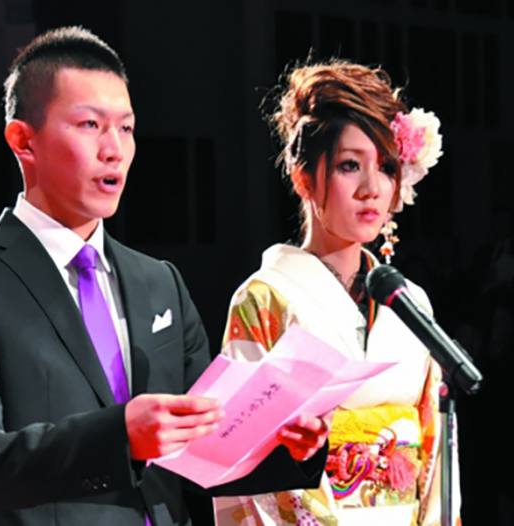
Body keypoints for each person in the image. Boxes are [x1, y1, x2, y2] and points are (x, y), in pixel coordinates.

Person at [0, 27, 329, 526]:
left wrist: (287, 448)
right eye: (89, 124)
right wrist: (119, 438)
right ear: (23, 141)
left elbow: (204, 450)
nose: (114, 149)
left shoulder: (159, 282)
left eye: (126, 128)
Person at [213, 60, 459, 525]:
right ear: (304, 177)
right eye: (350, 166)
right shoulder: (265, 298)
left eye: (385, 167)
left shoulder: (411, 302)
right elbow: (249, 457)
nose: (372, 188)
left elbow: (434, 449)